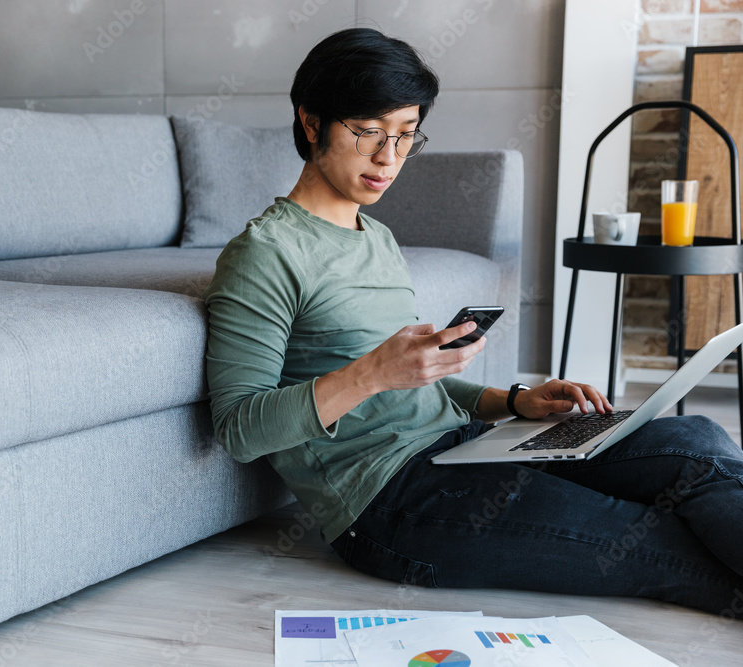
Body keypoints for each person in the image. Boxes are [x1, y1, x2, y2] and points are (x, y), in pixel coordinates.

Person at [202, 27, 743, 618]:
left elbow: (418, 384)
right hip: (392, 503)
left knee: (700, 442)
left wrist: (515, 401)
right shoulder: (265, 252)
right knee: (658, 542)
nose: (389, 158)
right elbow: (238, 428)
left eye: (406, 136)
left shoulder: (375, 236)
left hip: (465, 445)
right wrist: (371, 374)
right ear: (311, 123)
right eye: (368, 133)